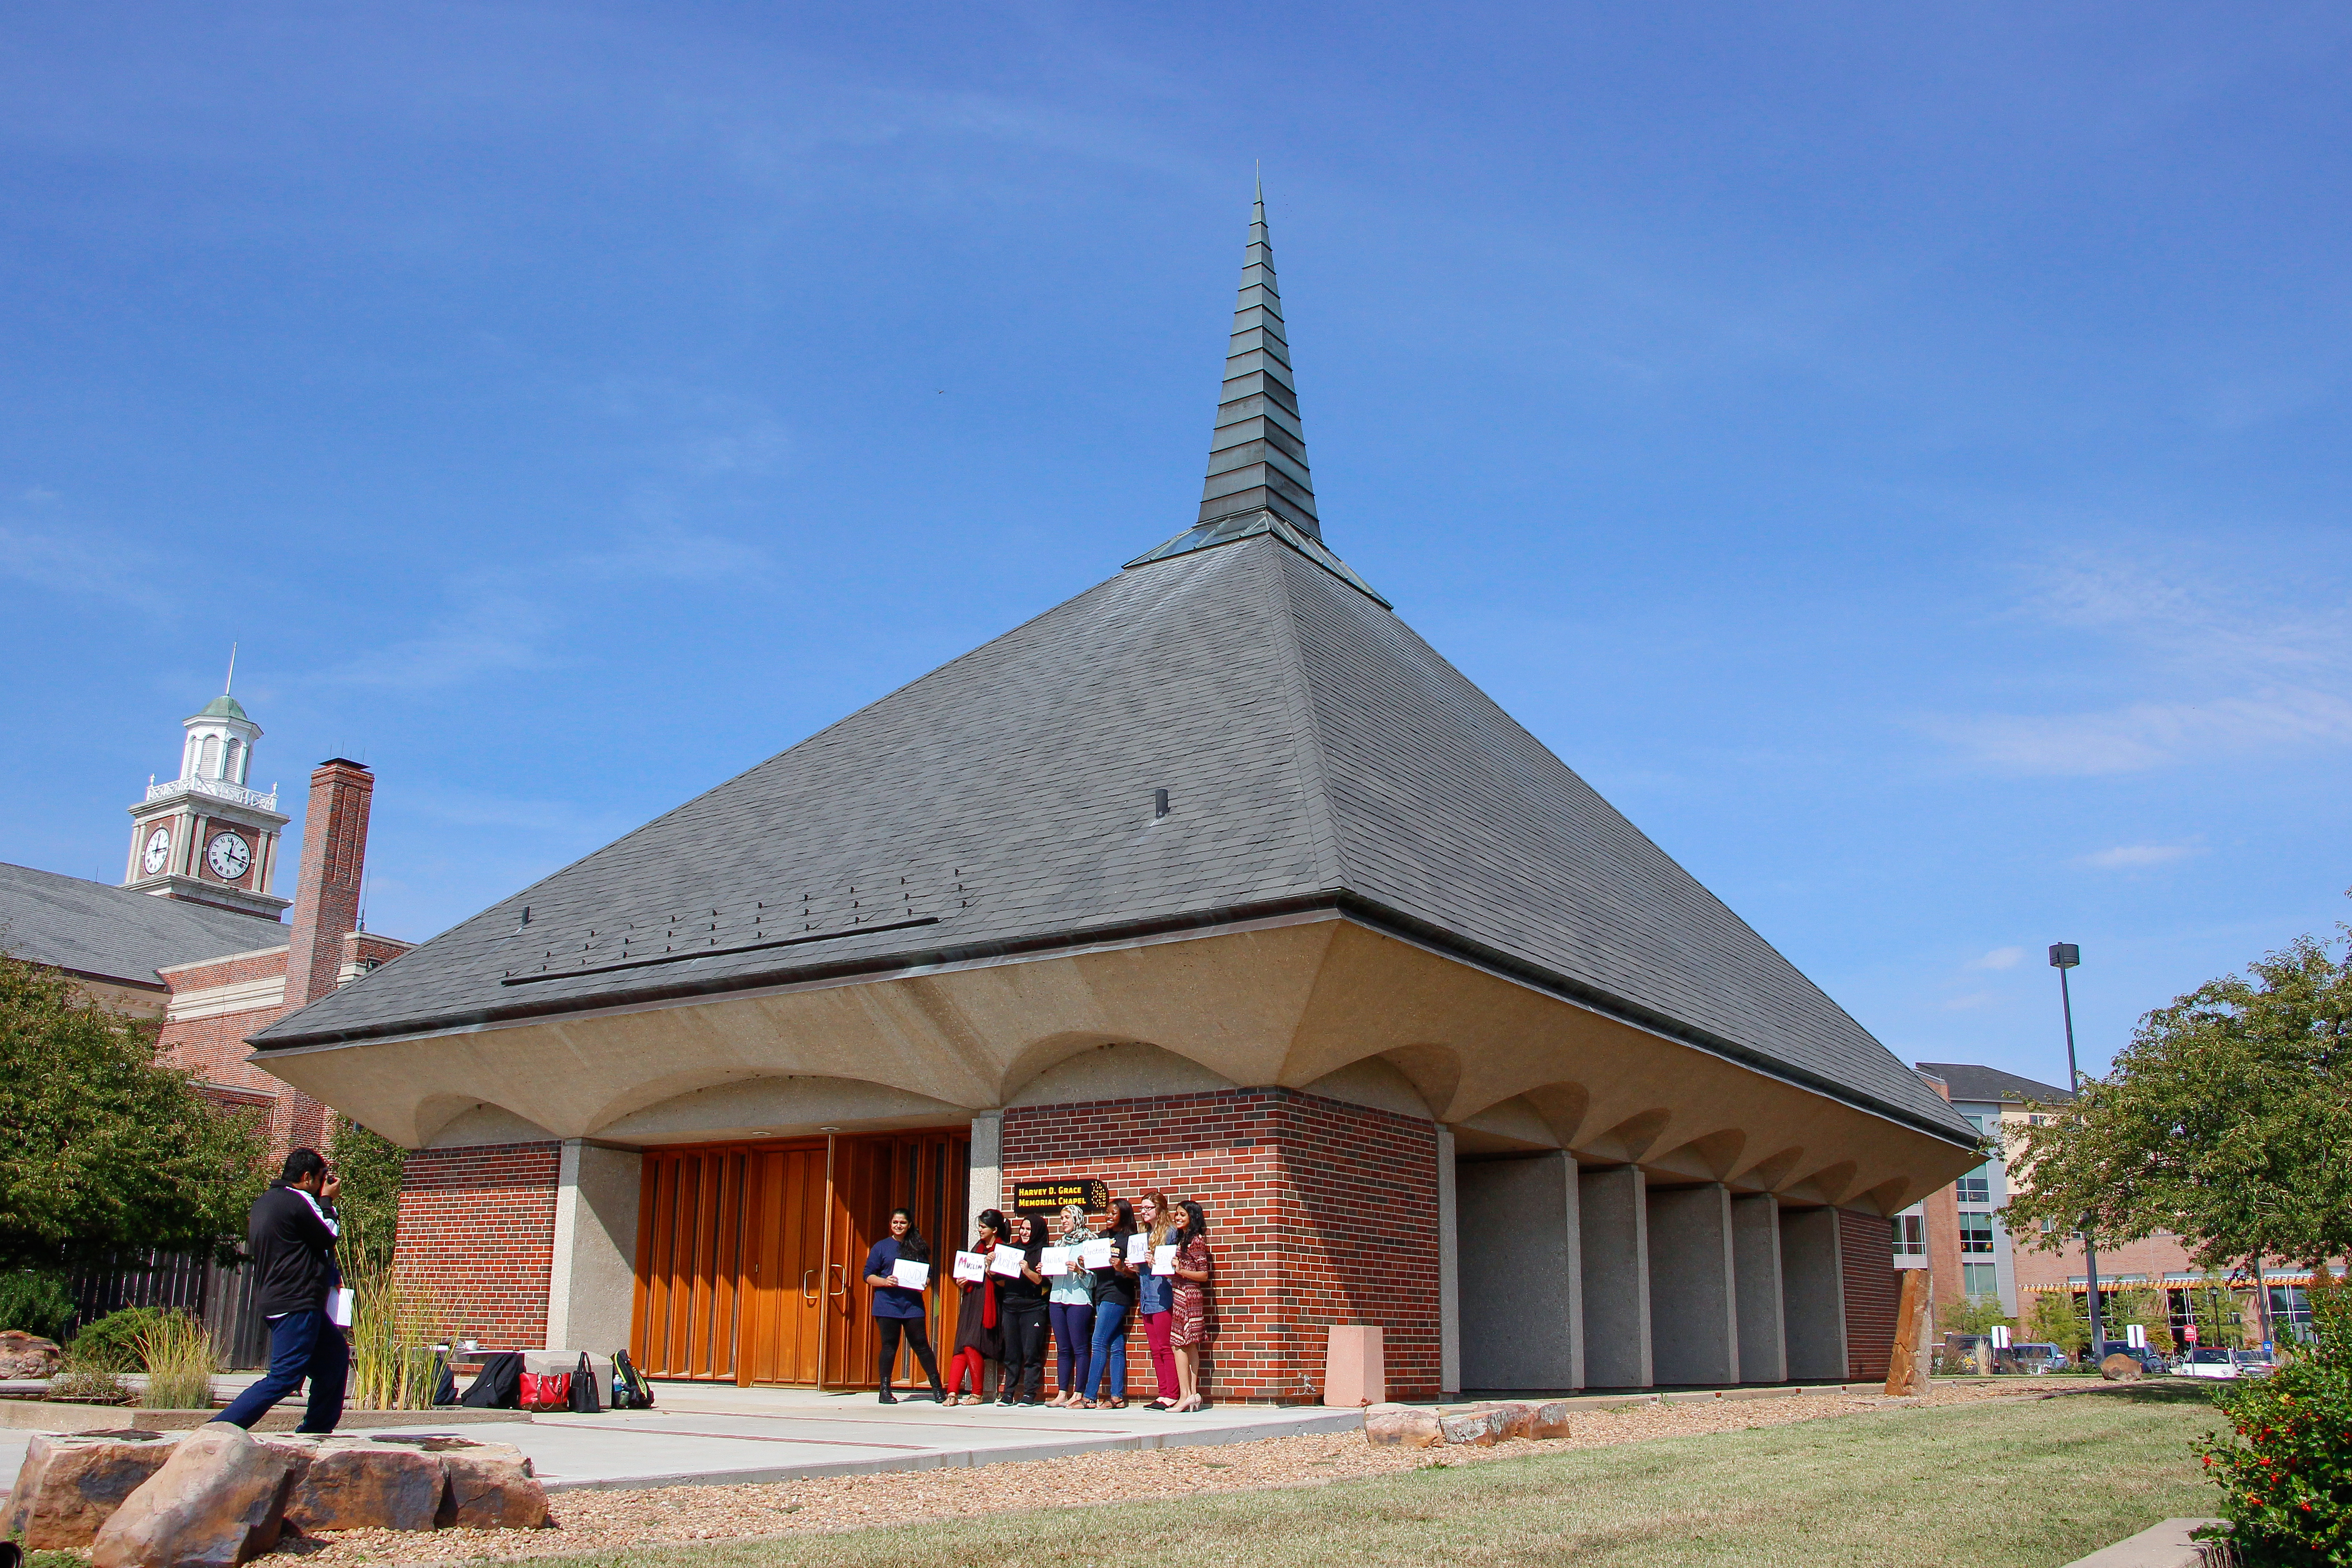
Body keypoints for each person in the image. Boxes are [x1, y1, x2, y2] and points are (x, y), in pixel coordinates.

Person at [213, 1148, 348, 1433]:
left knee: (335, 1358)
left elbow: (297, 1246)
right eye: (322, 1178)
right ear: (306, 1177)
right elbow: (329, 1234)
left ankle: (316, 1431)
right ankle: (220, 1428)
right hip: (296, 1301)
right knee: (285, 1376)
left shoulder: (266, 1202)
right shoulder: (299, 1201)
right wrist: (327, 1200)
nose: (325, 1183)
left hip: (280, 1299)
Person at [863, 1207, 946, 1405]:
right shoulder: (881, 1247)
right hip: (887, 1304)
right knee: (890, 1346)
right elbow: (868, 1275)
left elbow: (928, 1272)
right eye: (895, 1223)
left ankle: (937, 1389)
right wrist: (884, 1281)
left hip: (912, 1304)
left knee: (922, 1345)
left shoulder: (917, 1246)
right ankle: (885, 1391)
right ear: (891, 1224)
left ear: (910, 1225)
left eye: (902, 1223)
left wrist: (926, 1281)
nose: (898, 1226)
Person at [945, 1209, 1008, 1405]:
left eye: (983, 1227)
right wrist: (961, 1282)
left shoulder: (1003, 1250)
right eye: (979, 1226)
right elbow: (966, 1273)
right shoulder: (977, 1249)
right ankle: (952, 1392)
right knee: (962, 1345)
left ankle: (977, 1393)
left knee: (972, 1344)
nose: (980, 1230)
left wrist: (991, 1270)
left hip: (990, 1302)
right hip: (972, 1300)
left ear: (995, 1230)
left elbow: (1004, 1284)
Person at [1085, 1197, 1139, 1409]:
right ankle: (1117, 1396)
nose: (1108, 1216)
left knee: (1098, 1342)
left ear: (1123, 1216)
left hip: (1118, 1295)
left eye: (1113, 1213)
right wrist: (1084, 1263)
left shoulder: (1130, 1239)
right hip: (1101, 1293)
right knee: (1116, 1345)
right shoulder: (1101, 1237)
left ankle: (1089, 1396)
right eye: (1107, 1212)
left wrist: (1123, 1269)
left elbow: (1136, 1274)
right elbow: (1096, 1268)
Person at [996, 1213, 1050, 1405]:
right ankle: (1008, 1393)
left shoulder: (1043, 1252)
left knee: (1031, 1351)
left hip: (1033, 1307)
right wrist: (991, 1268)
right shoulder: (1012, 1250)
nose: (1025, 1233)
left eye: (1029, 1229)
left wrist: (1027, 1271)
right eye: (1023, 1229)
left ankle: (1029, 1393)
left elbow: (1044, 1284)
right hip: (1010, 1306)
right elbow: (1001, 1281)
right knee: (1011, 1352)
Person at [1044, 1204, 1095, 1407]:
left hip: (1079, 1300)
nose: (1063, 1221)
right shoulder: (1059, 1244)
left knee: (1080, 1347)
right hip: (1057, 1299)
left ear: (1077, 1218)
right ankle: (1062, 1392)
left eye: (1067, 1217)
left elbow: (1094, 1281)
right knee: (1063, 1348)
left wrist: (1080, 1270)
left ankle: (1079, 1392)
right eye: (1062, 1218)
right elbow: (1051, 1278)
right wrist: (1045, 1270)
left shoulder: (1090, 1242)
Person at [1167, 1199, 1215, 1412]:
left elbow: (1203, 1274)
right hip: (1182, 1293)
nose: (1177, 1218)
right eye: (1176, 1214)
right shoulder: (1183, 1239)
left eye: (1182, 1215)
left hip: (1187, 1294)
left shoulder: (1196, 1241)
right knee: (1191, 1344)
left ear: (1192, 1218)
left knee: (1179, 1343)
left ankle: (1186, 1394)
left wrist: (1180, 1271)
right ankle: (1193, 1393)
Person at [1134, 1189, 1181, 1410]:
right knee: (1155, 1348)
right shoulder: (1143, 1234)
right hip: (1146, 1296)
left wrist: (1154, 1263)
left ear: (1159, 1209)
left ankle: (1173, 1393)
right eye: (1142, 1208)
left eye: (1147, 1208)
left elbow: (1170, 1266)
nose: (1143, 1212)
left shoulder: (1170, 1233)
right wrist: (1134, 1267)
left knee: (1165, 1347)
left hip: (1163, 1296)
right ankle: (1163, 1392)